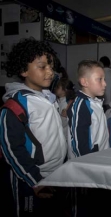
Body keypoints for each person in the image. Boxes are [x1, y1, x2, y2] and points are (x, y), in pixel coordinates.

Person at [0, 38, 68, 217]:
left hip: (54, 175)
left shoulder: (48, 99)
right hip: (30, 180)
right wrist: (35, 180)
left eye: (51, 66)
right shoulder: (17, 105)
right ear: (23, 70)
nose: (50, 72)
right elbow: (12, 149)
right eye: (42, 66)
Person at [67, 60, 109, 158]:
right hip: (87, 164)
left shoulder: (96, 102)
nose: (105, 84)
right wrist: (87, 165)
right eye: (100, 79)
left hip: (99, 158)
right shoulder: (81, 106)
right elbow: (78, 145)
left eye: (104, 79)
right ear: (84, 82)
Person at [55, 77, 76, 142]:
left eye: (58, 87)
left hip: (65, 134)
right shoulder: (60, 100)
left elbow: (62, 122)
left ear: (64, 91)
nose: (55, 88)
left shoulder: (65, 104)